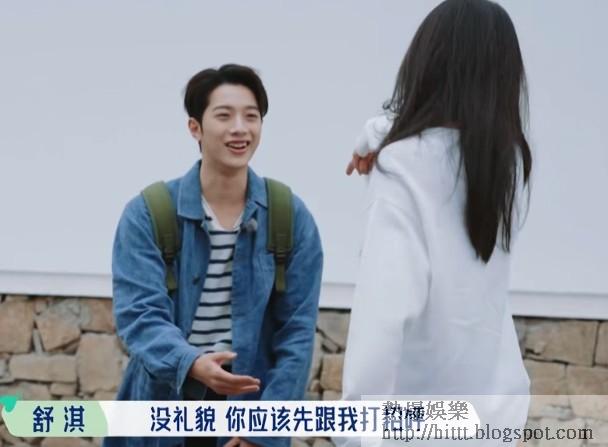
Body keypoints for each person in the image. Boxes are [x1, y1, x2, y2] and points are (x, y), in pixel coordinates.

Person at [337, 0, 532, 445]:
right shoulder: (507, 163)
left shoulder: (404, 166)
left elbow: (383, 311)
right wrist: (381, 131)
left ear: (428, 62)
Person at [104, 64, 323, 447]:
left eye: (251, 116)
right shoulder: (148, 213)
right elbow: (139, 315)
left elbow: (296, 333)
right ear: (195, 128)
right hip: (163, 404)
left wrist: (264, 432)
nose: (240, 128)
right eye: (224, 115)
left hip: (247, 411)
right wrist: (190, 362)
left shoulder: (290, 216)